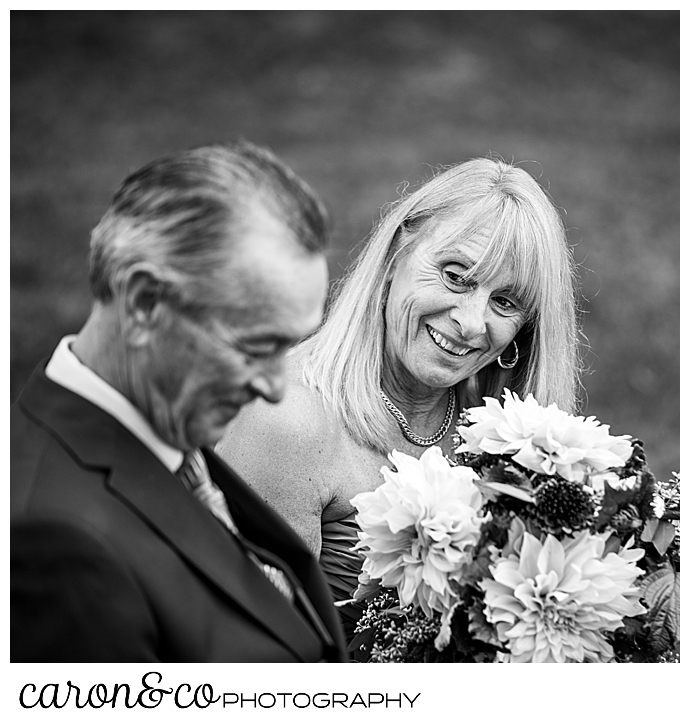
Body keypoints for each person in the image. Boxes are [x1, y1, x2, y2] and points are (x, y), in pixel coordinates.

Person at [10, 141, 349, 663]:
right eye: (258, 346)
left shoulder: (171, 437)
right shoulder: (57, 546)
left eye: (292, 344)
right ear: (146, 301)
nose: (277, 387)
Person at [217, 157, 581, 636]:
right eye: (456, 275)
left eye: (505, 302)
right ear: (395, 255)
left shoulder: (510, 436)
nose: (472, 323)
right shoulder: (288, 421)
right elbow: (251, 662)